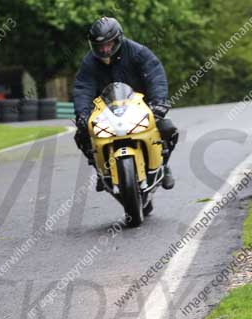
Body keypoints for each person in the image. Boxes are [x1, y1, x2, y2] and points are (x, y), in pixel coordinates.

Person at [73, 17, 178, 190]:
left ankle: (164, 166)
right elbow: (83, 87)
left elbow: (155, 75)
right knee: (82, 135)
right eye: (100, 46)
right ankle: (101, 170)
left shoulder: (138, 52)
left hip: (140, 104)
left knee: (168, 129)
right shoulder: (89, 62)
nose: (104, 49)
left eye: (108, 44)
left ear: (118, 39)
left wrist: (158, 103)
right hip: (105, 109)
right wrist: (83, 114)